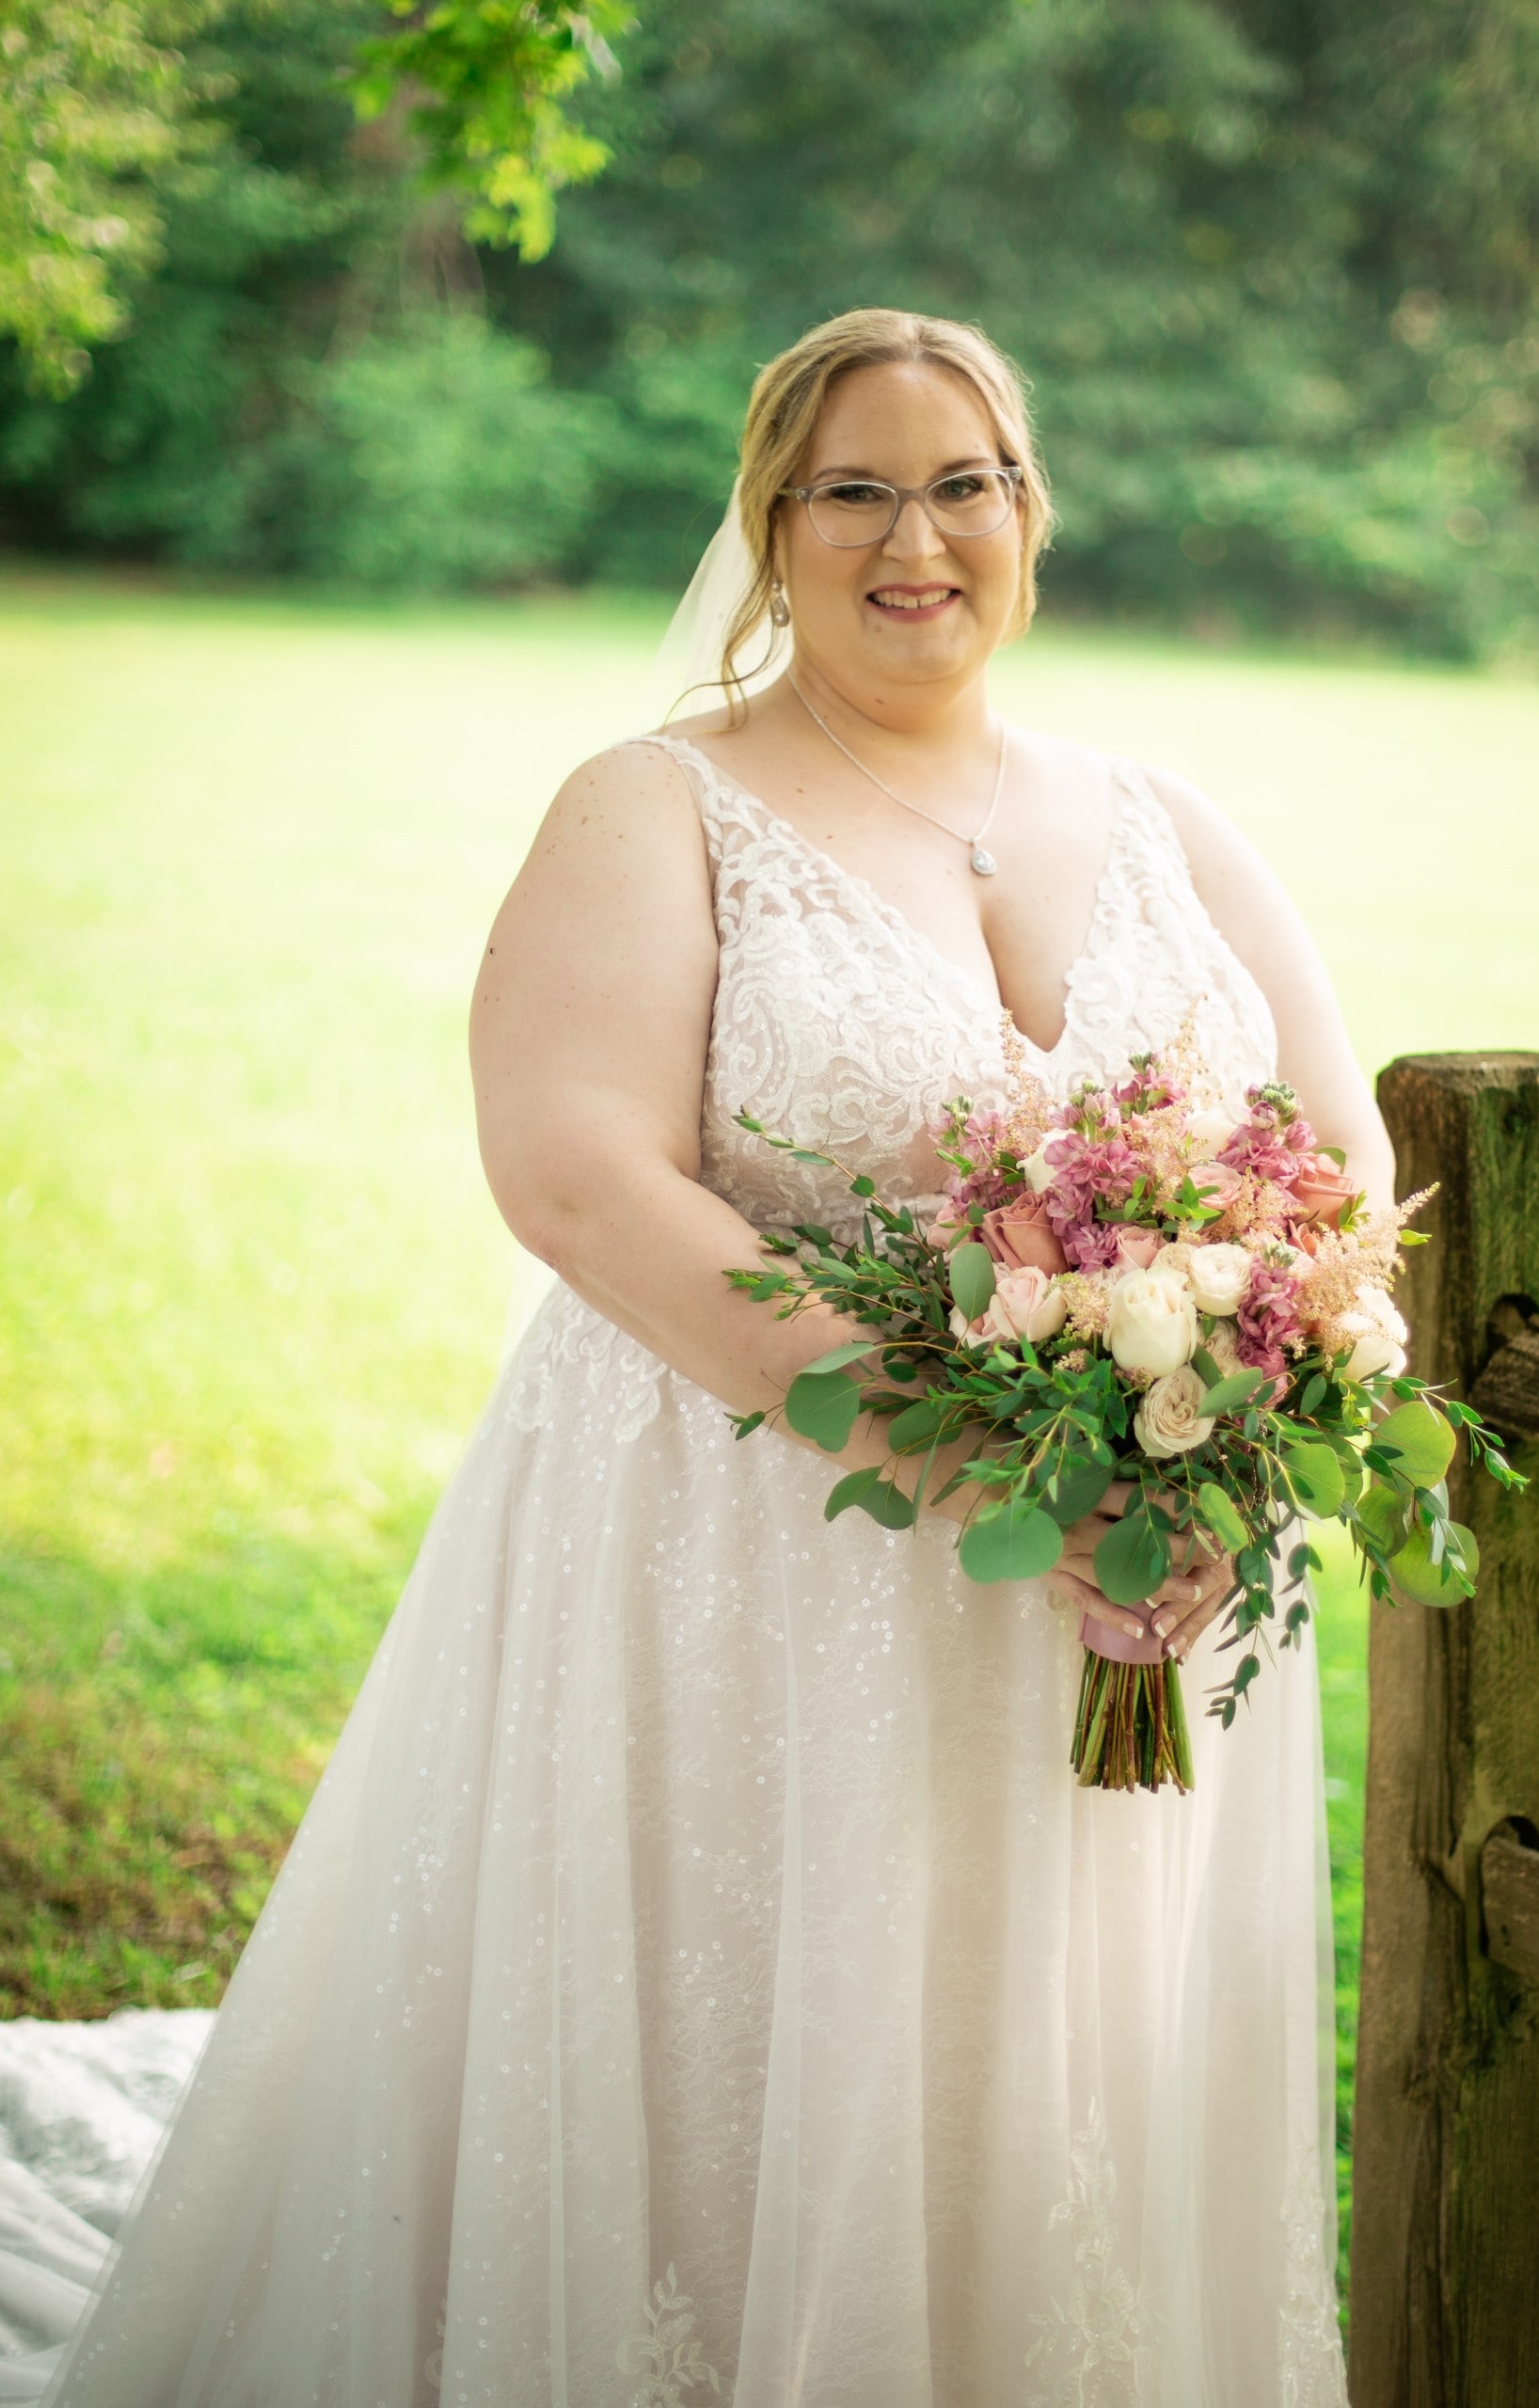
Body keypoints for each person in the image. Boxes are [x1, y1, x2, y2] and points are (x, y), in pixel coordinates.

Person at [28, 307, 1382, 2405]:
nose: (913, 536)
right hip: (753, 1570)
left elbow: (1340, 1168)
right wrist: (983, 1462)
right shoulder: (659, 804)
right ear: (770, 519)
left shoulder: (1167, 822)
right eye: (855, 487)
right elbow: (576, 1177)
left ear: (1031, 514)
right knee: (757, 2038)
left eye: (964, 484)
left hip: (1134, 1591)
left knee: (1050, 2074)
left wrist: (1231, 1452)